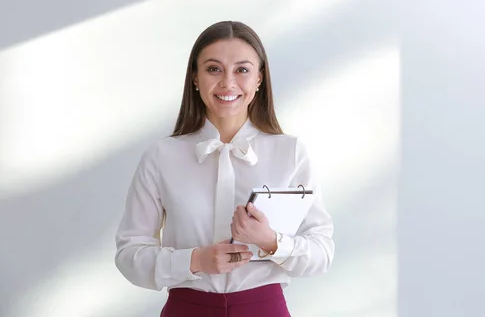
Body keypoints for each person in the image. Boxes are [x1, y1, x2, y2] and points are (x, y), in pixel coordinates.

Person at [114, 21, 335, 316]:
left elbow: (323, 251)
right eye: (214, 69)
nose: (228, 83)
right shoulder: (161, 157)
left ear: (259, 78)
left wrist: (271, 242)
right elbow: (129, 254)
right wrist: (195, 260)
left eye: (242, 70)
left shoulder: (290, 152)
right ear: (195, 77)